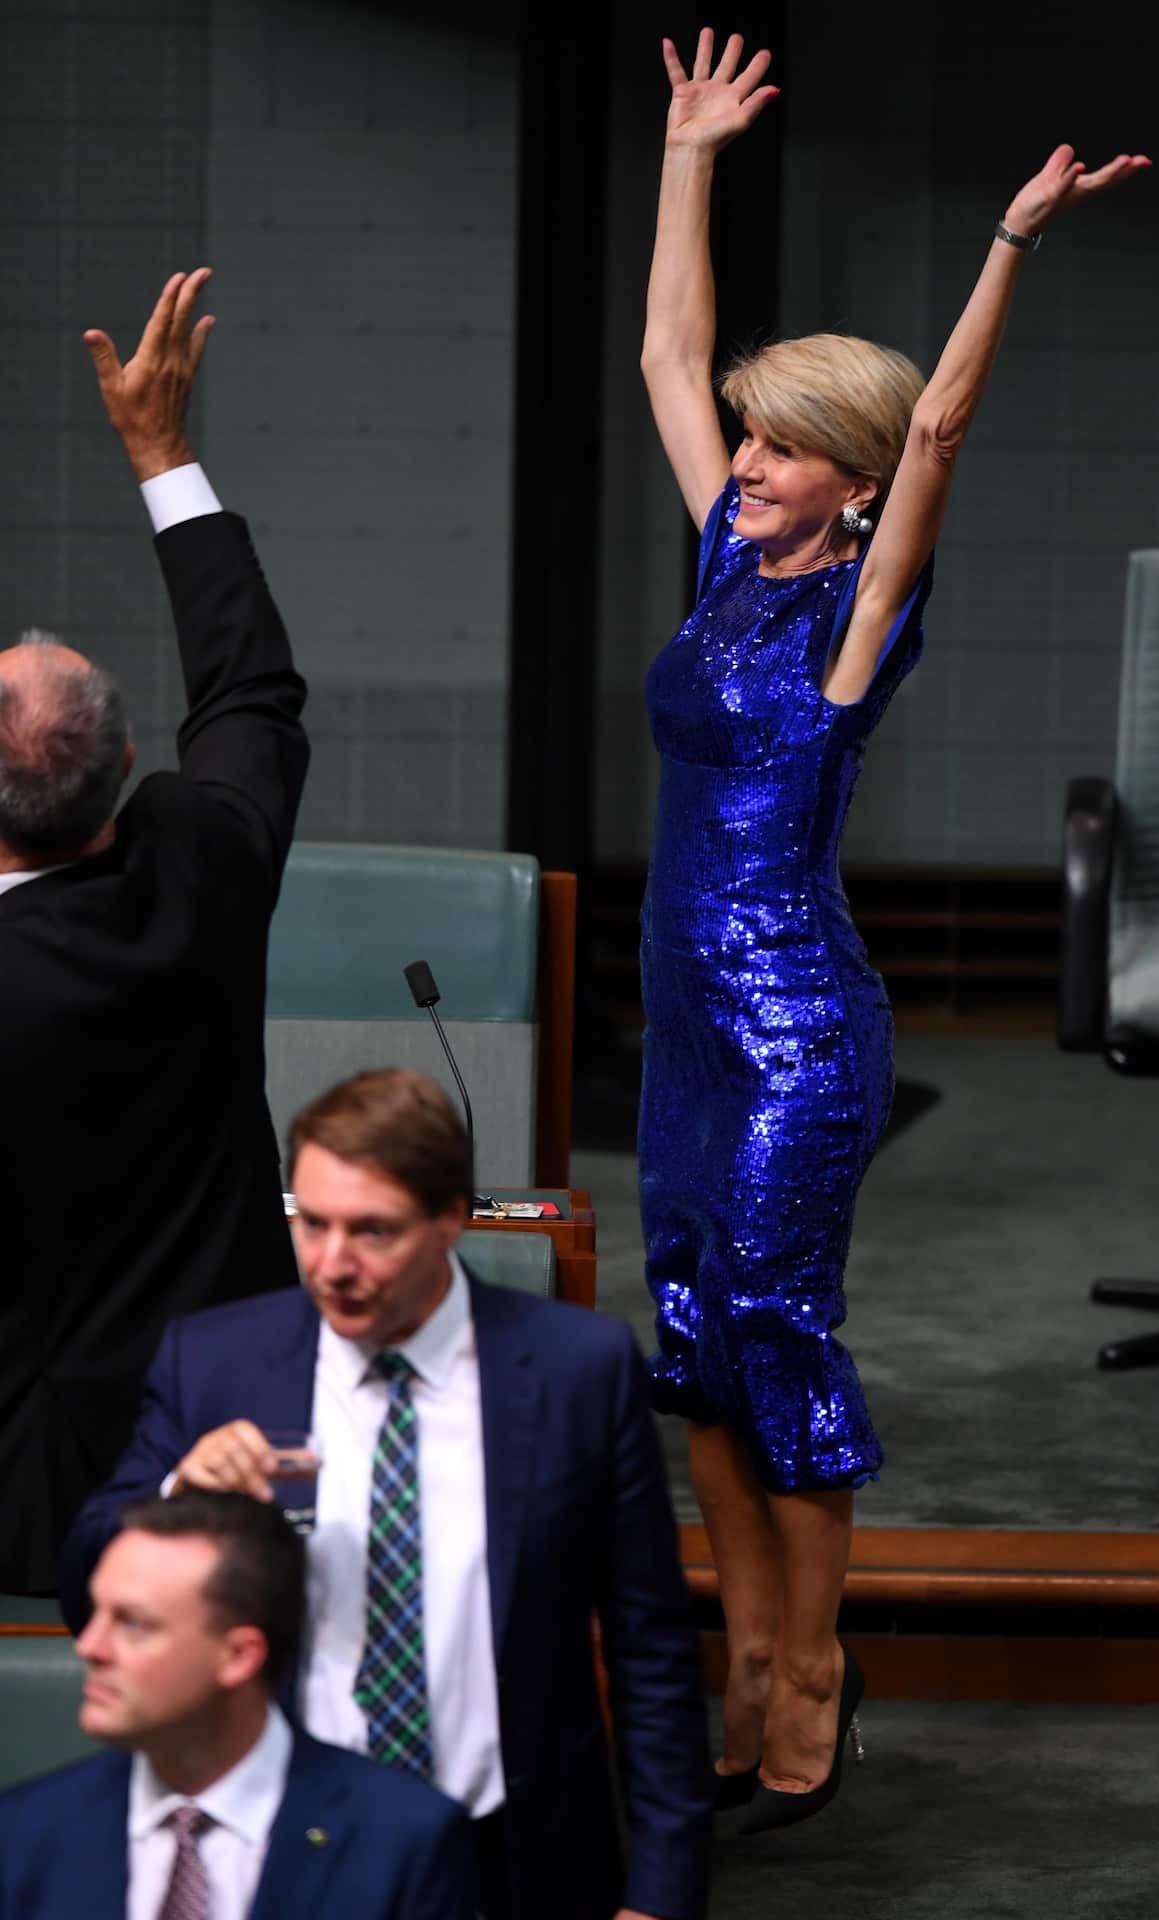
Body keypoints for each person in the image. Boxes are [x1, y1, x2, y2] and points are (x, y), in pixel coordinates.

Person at [637, 28, 1150, 1831]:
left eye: (790, 450)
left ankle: (814, 1676)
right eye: (752, 442)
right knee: (687, 1333)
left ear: (851, 484)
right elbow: (667, 351)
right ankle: (745, 1660)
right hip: (682, 1019)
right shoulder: (723, 559)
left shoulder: (860, 615)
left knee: (774, 1319)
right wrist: (692, 149)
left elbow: (941, 421)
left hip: (792, 1024)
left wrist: (1008, 238)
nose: (753, 461)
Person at [63, 1068, 710, 1920]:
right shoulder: (217, 1366)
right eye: (315, 1224)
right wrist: (182, 1490)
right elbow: (86, 1591)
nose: (334, 1265)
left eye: (373, 1232)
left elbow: (650, 1642)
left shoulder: (576, 1372)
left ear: (451, 1219)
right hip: (283, 1850)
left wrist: (663, 1892)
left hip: (512, 1856)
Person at [0, 270, 308, 1593]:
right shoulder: (203, 864)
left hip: (30, 1469)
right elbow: (250, 684)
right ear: (128, 760)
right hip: (234, 1432)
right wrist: (163, 455)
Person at [0, 1490, 472, 1918]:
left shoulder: (399, 1841)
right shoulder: (26, 1832)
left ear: (238, 1656)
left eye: (134, 1624)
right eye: (96, 1611)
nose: (90, 1647)